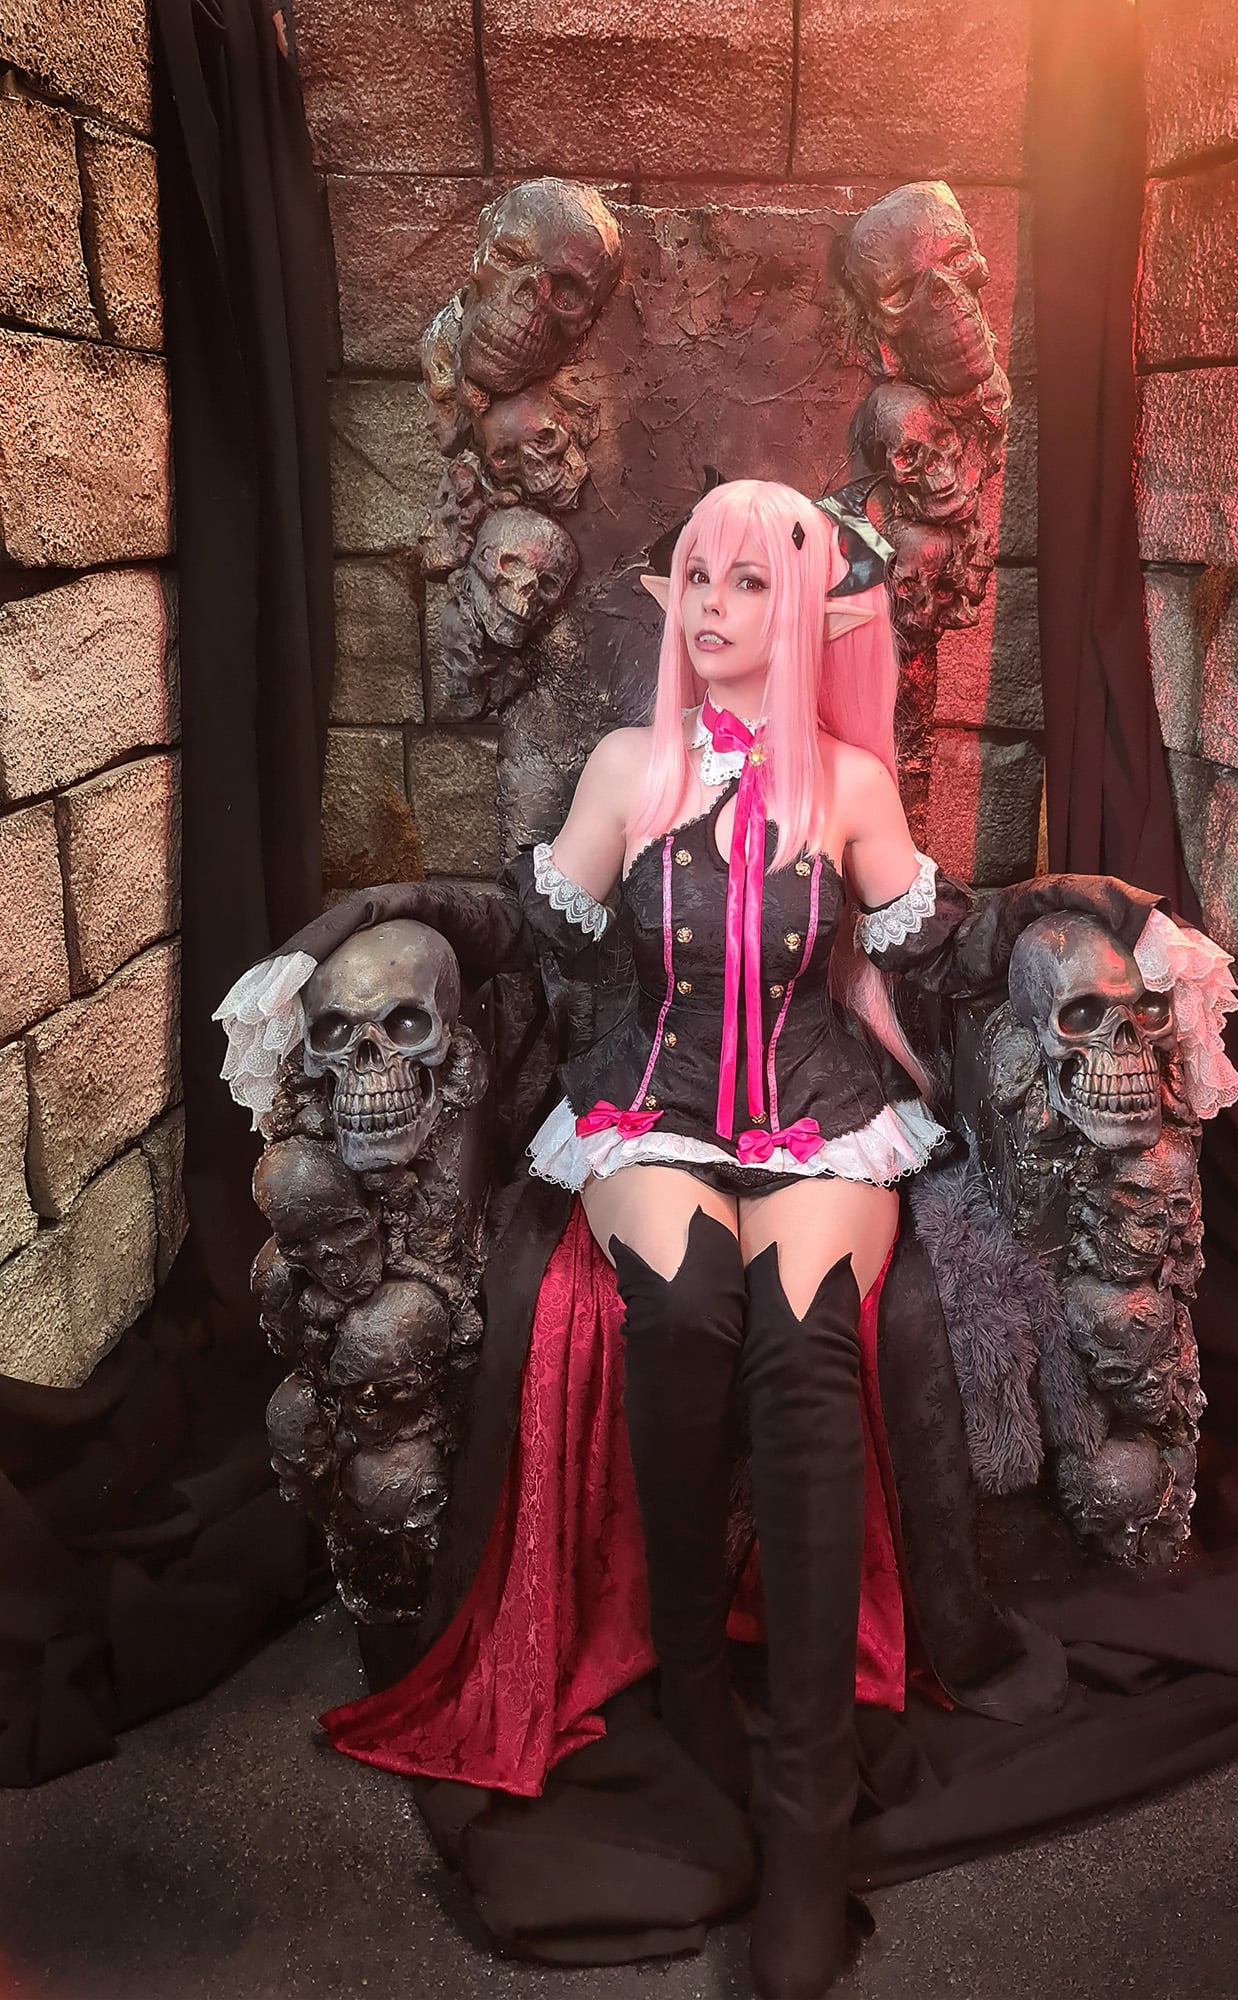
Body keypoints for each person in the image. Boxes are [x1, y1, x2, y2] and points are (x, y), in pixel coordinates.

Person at [230, 478, 1157, 2000]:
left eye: (748, 584)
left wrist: (1105, 908)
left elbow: (946, 948)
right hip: (648, 1107)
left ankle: (807, 1821)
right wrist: (359, 922)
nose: (716, 607)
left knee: (804, 1344)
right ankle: (688, 1684)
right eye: (700, 580)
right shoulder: (628, 767)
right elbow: (526, 928)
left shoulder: (851, 784)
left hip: (818, 1111)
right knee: (682, 1312)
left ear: (800, 615)